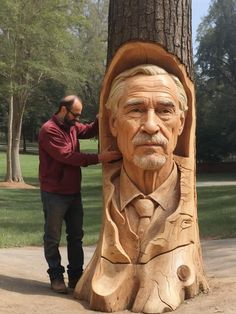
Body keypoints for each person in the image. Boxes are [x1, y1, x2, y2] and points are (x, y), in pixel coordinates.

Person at [75, 65, 202, 313]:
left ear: (181, 122)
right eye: (135, 110)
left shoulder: (185, 201)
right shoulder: (110, 198)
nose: (151, 126)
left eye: (165, 111)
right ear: (113, 123)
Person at [38, 95, 121, 294]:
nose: (77, 119)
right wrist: (100, 158)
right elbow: (67, 156)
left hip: (73, 192)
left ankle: (76, 277)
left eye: (79, 116)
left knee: (76, 236)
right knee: (52, 237)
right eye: (75, 115)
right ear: (64, 110)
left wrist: (101, 118)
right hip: (54, 193)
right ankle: (56, 276)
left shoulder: (72, 126)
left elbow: (89, 129)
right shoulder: (49, 130)